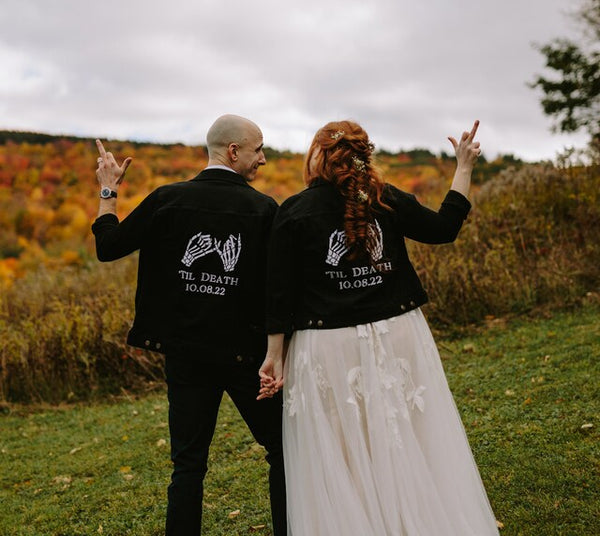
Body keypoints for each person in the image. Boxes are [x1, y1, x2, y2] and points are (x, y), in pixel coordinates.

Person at [258, 119, 499, 535]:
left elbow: (278, 295)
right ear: (362, 155)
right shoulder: (385, 198)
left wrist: (273, 357)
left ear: (317, 155)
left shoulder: (293, 211)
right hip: (398, 333)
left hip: (327, 344)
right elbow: (444, 229)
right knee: (404, 433)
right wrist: (463, 167)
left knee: (343, 447)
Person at [92, 114, 286, 536]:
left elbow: (107, 246)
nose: (264, 160)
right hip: (247, 357)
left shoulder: (168, 199)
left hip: (186, 356)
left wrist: (109, 191)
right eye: (259, 150)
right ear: (234, 152)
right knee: (282, 451)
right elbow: (279, 291)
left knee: (188, 465)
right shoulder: (263, 209)